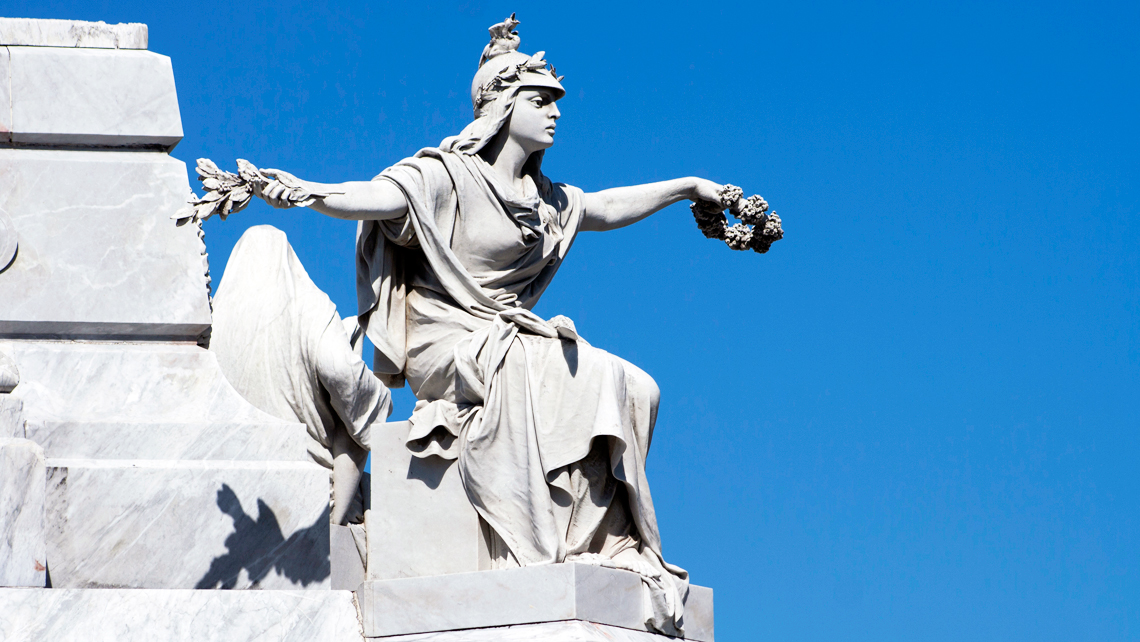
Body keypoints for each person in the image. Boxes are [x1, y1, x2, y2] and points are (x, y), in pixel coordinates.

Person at [255, 15, 739, 634]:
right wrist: (306, 192)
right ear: (505, 106)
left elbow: (607, 206)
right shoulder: (446, 177)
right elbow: (374, 198)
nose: (555, 112)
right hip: (444, 340)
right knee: (555, 369)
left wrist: (688, 187)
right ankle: (541, 538)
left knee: (636, 387)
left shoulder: (548, 201)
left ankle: (598, 538)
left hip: (507, 334)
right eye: (541, 99)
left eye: (557, 101)